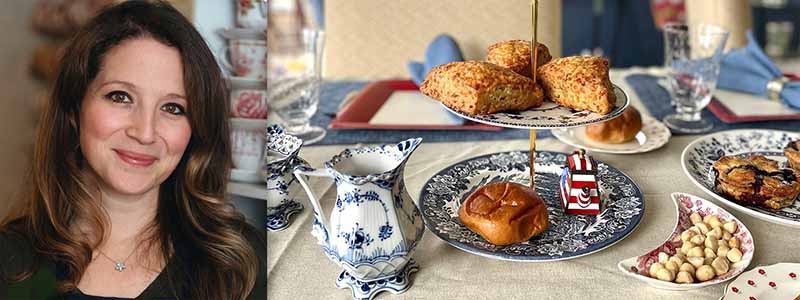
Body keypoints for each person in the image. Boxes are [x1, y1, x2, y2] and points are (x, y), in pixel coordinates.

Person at [0, 1, 266, 299]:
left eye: (173, 108)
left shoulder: (243, 266)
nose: (145, 132)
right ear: (75, 108)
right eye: (120, 97)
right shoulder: (9, 262)